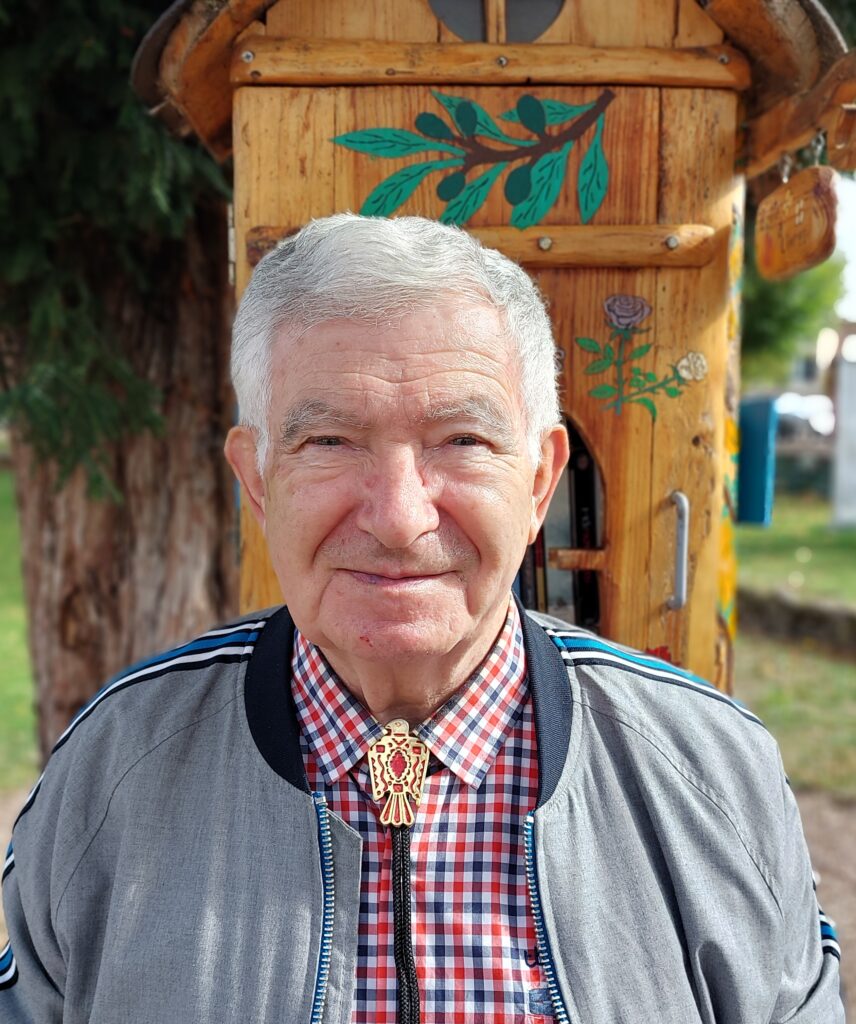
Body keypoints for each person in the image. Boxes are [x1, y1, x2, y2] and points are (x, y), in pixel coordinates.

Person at [1, 214, 842, 1024]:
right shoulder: (116, 769)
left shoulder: (713, 776)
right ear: (257, 480)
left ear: (539, 480)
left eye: (463, 441)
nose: (400, 519)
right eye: (330, 441)